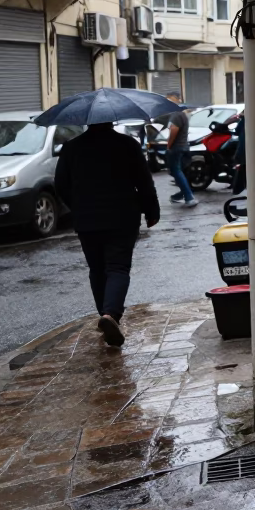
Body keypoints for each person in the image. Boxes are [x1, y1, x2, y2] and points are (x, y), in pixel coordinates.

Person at [54, 121, 160, 347]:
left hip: (87, 219)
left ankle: (105, 314)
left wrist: (78, 205)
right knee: (118, 267)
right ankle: (110, 315)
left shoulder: (72, 147)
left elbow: (60, 183)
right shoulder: (127, 145)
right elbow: (143, 181)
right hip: (122, 216)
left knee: (97, 269)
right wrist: (151, 210)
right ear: (111, 120)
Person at [164, 92, 197, 207]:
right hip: (182, 146)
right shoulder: (180, 114)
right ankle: (180, 195)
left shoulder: (176, 114)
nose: (168, 102)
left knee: (176, 171)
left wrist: (169, 146)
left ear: (178, 99)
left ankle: (189, 197)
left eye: (170, 100)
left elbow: (174, 130)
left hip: (176, 147)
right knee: (177, 172)